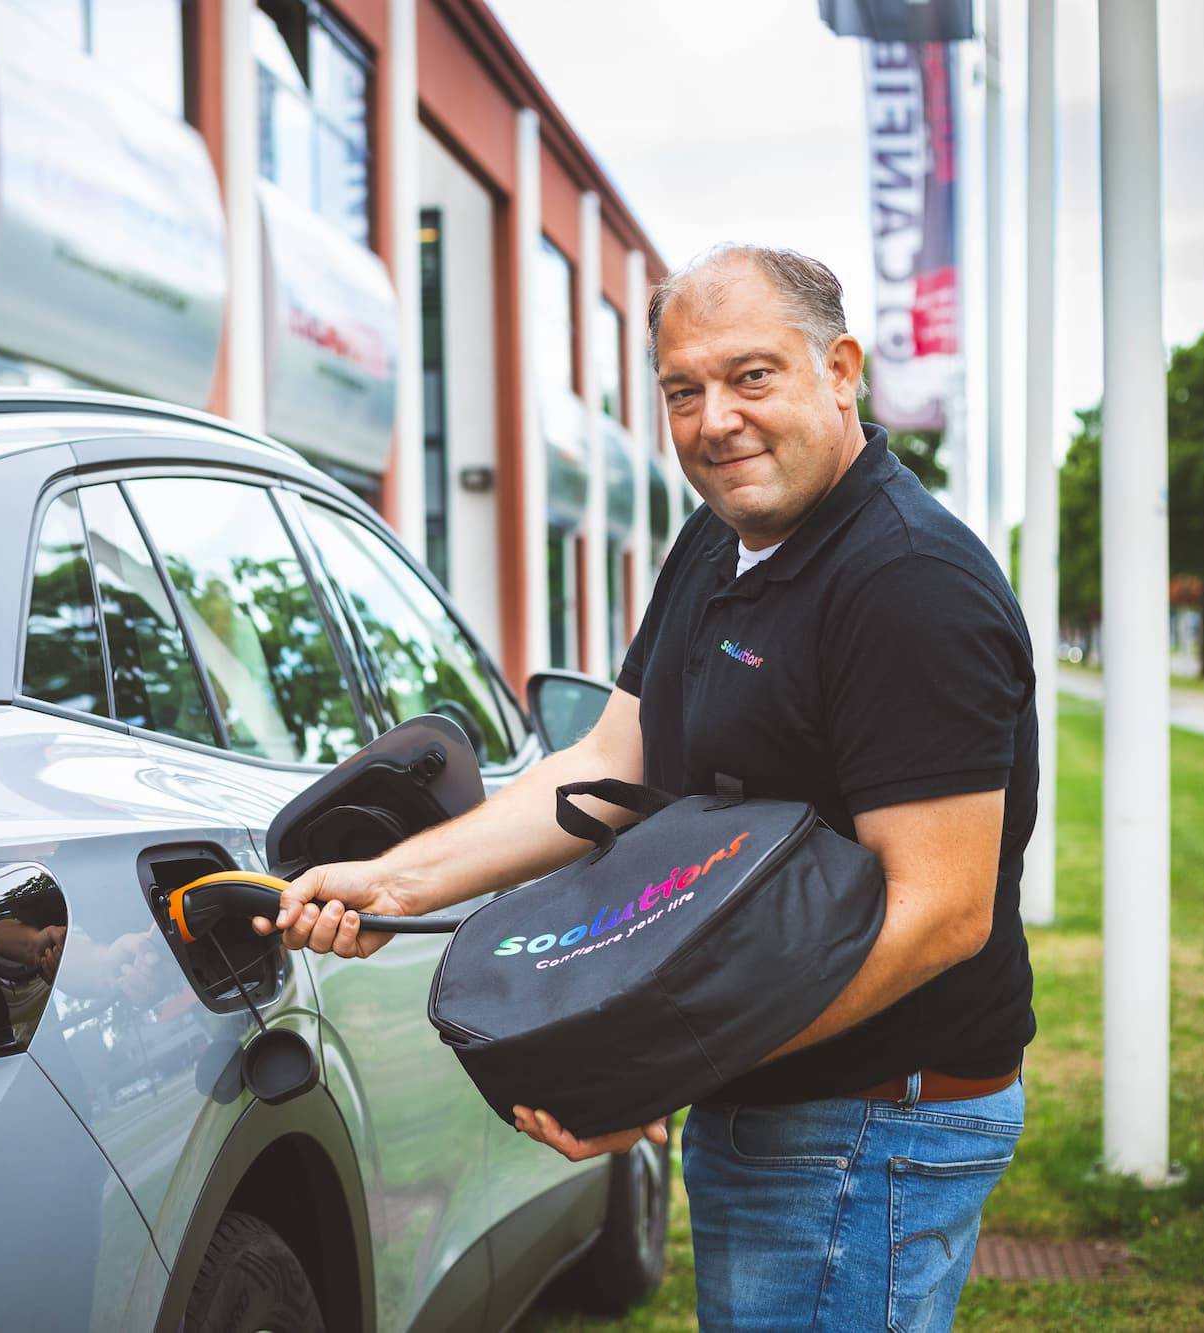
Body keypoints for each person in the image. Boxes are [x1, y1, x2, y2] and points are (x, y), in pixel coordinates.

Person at [254, 244, 1036, 1330]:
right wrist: (395, 881)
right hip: (789, 1104)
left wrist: (654, 1070)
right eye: (683, 389)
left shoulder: (905, 583)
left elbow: (938, 915)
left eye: (750, 375)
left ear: (840, 369)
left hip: (867, 1123)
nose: (714, 419)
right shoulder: (720, 544)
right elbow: (607, 766)